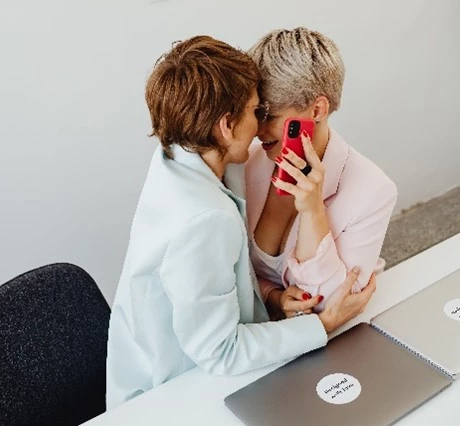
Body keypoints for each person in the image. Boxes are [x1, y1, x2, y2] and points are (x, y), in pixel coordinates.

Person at [105, 35, 376, 409]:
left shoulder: (182, 153)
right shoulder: (204, 219)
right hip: (172, 389)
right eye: (256, 111)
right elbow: (221, 352)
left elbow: (227, 280)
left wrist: (274, 297)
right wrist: (322, 325)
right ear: (227, 126)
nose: (261, 126)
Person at [246, 27, 397, 320]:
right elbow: (233, 268)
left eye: (270, 116)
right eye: (256, 114)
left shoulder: (373, 191)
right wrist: (272, 296)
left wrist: (313, 212)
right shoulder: (247, 163)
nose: (258, 130)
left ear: (317, 109)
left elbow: (329, 304)